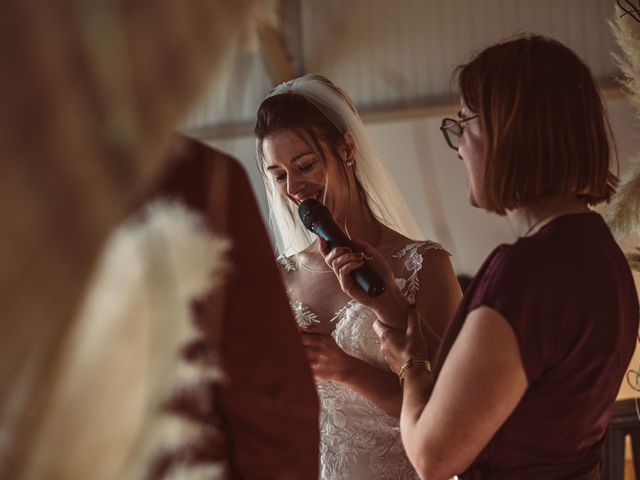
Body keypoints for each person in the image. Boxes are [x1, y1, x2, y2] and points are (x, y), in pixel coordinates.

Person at [332, 35, 639, 479]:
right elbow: (494, 384)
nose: (458, 147)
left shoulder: (524, 274)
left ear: (506, 128)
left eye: (463, 124)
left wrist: (411, 367)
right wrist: (394, 309)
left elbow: (434, 457)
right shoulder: (599, 254)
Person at [254, 74, 462, 479]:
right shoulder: (283, 276)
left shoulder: (424, 265)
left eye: (306, 165)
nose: (295, 187)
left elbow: (450, 411)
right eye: (279, 175)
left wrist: (346, 370)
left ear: (347, 149)